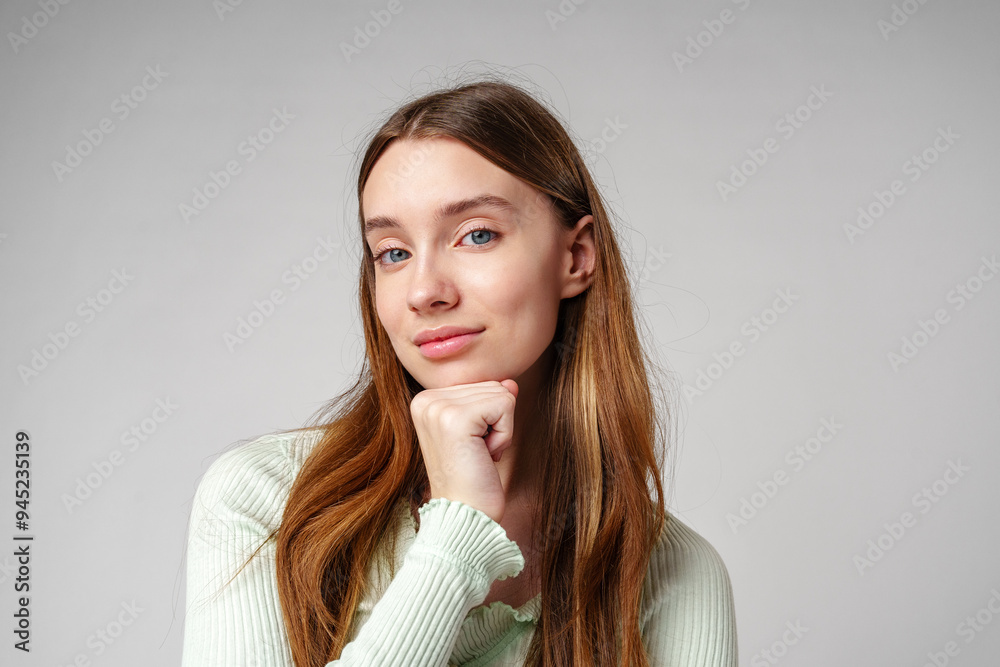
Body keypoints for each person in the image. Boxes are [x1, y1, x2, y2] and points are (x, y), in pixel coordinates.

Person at [181, 76, 737, 667]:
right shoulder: (264, 498)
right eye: (394, 252)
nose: (424, 291)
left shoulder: (677, 576)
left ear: (575, 257)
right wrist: (457, 534)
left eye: (476, 235)